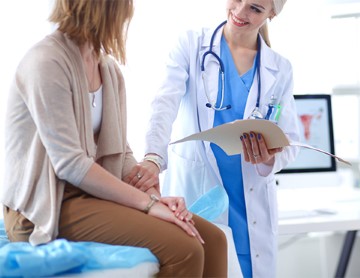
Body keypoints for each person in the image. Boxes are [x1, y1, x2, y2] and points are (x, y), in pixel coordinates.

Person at [1, 0, 228, 277]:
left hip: (90, 195)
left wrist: (154, 194)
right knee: (186, 248)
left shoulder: (108, 70)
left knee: (214, 240)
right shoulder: (46, 62)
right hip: (46, 206)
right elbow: (70, 164)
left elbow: (120, 152)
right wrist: (149, 205)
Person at [143, 0, 300, 277]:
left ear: (272, 14)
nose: (240, 12)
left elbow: (290, 140)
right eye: (237, 0)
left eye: (255, 8)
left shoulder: (279, 68)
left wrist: (270, 156)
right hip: (198, 196)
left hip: (249, 207)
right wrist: (153, 158)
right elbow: (163, 105)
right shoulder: (192, 46)